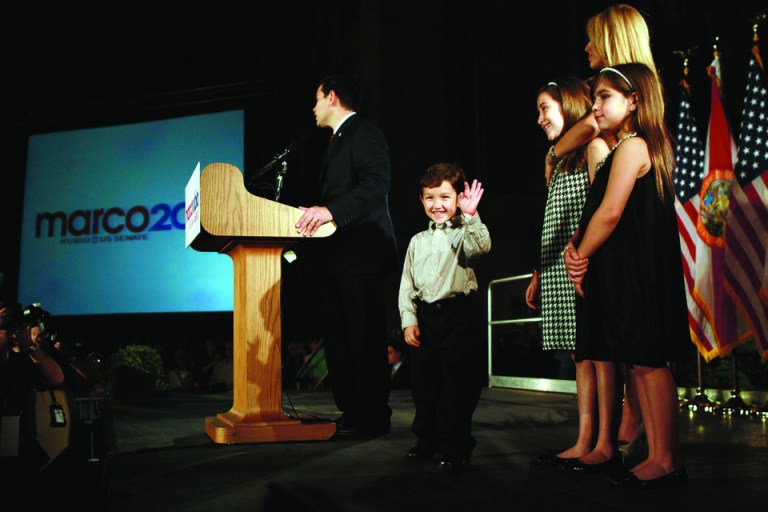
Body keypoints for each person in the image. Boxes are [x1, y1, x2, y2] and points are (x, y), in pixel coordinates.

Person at [564, 64, 690, 487]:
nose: (595, 106)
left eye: (605, 97)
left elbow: (611, 211)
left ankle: (666, 460)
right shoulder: (623, 148)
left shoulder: (636, 146)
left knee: (651, 362)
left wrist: (579, 255)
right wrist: (578, 249)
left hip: (642, 275)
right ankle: (656, 457)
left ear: (634, 101)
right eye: (595, 96)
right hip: (626, 275)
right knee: (639, 362)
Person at [546, 2, 658, 457]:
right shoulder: (604, 117)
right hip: (604, 241)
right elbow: (562, 145)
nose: (586, 47)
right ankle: (609, 434)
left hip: (625, 240)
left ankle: (630, 432)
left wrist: (580, 250)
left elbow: (606, 201)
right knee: (608, 339)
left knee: (635, 345)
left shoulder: (631, 118)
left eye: (593, 39)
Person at [295, 75, 397, 436]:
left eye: (317, 99)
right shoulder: (336, 141)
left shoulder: (363, 132)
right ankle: (353, 411)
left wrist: (330, 211)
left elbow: (375, 185)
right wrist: (322, 211)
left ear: (332, 97)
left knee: (364, 336)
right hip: (338, 257)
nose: (313, 107)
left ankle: (371, 415)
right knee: (340, 337)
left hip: (363, 253)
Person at [526, 78, 609, 465]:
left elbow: (592, 212)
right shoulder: (559, 164)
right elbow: (553, 220)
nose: (540, 118)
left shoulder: (593, 151)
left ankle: (605, 440)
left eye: (545, 108)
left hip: (584, 264)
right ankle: (584, 439)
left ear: (570, 106)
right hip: (559, 268)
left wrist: (579, 253)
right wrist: (539, 272)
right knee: (580, 355)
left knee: (598, 351)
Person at [399, 162, 491, 471]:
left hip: (458, 316)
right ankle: (427, 440)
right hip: (426, 317)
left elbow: (481, 246)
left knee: (457, 385)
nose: (437, 204)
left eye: (444, 197)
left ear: (458, 198)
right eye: (430, 197)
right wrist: (408, 320)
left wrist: (471, 215)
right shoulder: (417, 241)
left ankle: (456, 447)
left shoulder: (465, 231)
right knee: (424, 384)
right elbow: (406, 286)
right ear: (421, 200)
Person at [0, 300, 66, 504]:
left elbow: (57, 378)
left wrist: (29, 344)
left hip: (20, 445)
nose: (9, 332)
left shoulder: (22, 361)